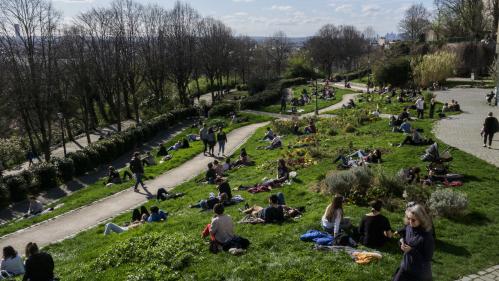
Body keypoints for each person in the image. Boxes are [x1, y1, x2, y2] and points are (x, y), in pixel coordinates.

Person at [392, 204, 434, 281]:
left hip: (419, 273)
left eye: (413, 220)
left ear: (421, 219)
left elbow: (427, 259)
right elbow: (406, 239)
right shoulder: (409, 227)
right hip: (405, 266)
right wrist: (401, 242)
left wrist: (411, 251)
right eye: (408, 218)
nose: (410, 222)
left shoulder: (427, 237)